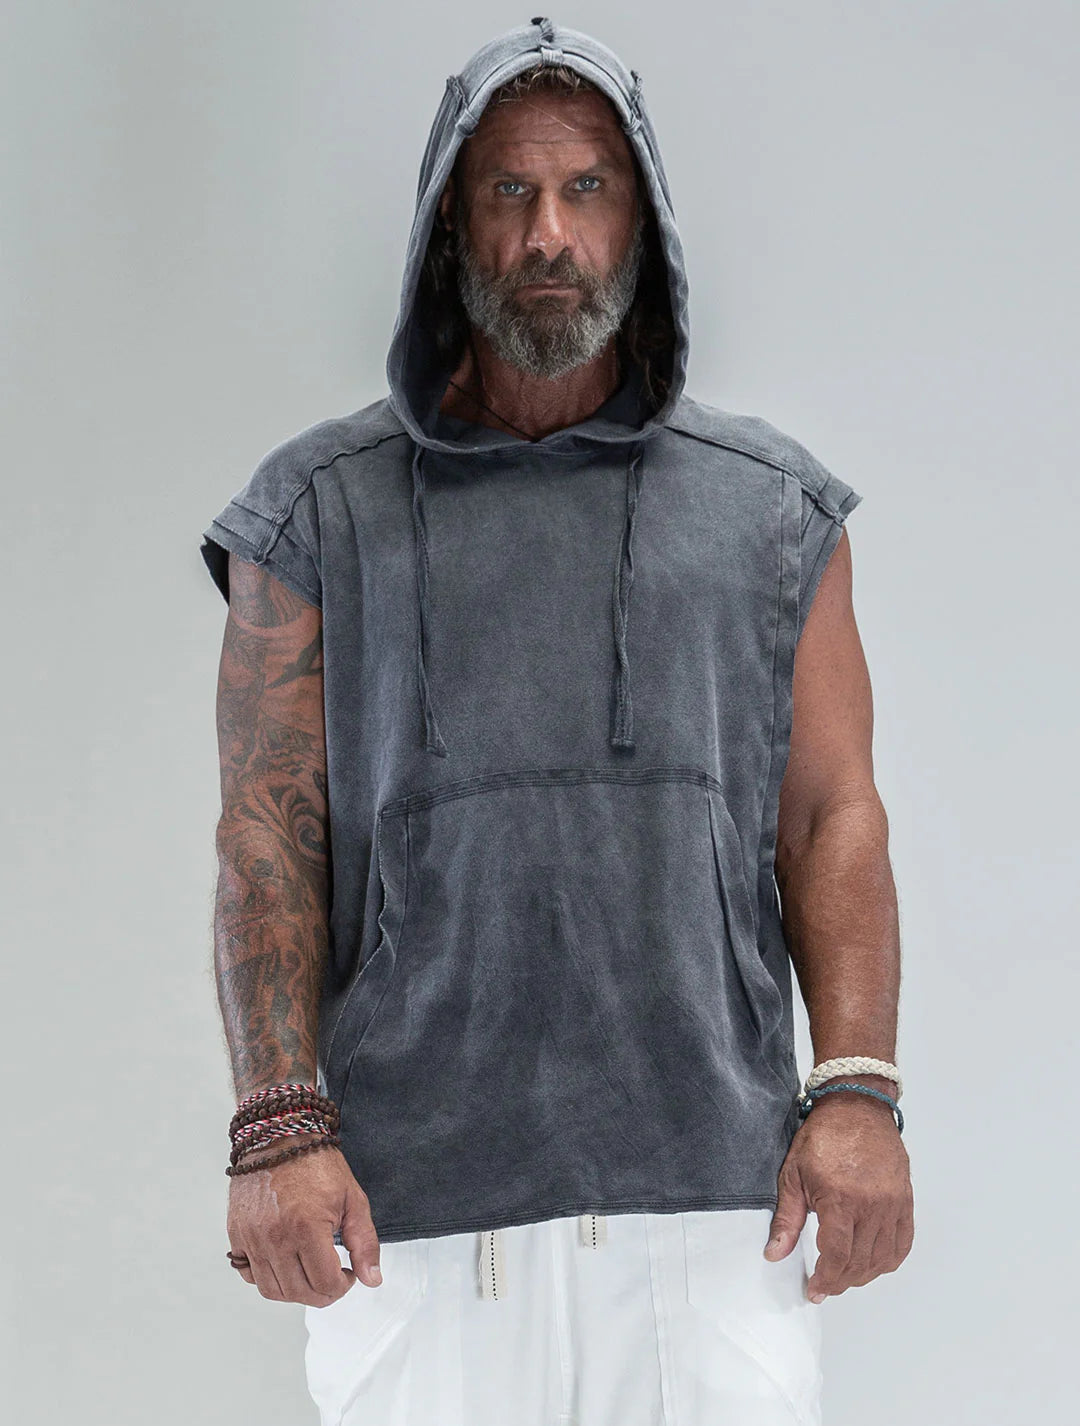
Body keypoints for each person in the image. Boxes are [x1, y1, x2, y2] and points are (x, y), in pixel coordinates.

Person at [200, 17, 913, 1426]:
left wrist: (859, 1091)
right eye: (508, 192)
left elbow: (833, 813)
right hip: (412, 1223)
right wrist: (275, 1124)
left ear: (641, 218)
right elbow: (268, 832)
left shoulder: (772, 513)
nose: (548, 234)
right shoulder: (314, 513)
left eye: (587, 189)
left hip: (718, 1213)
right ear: (448, 222)